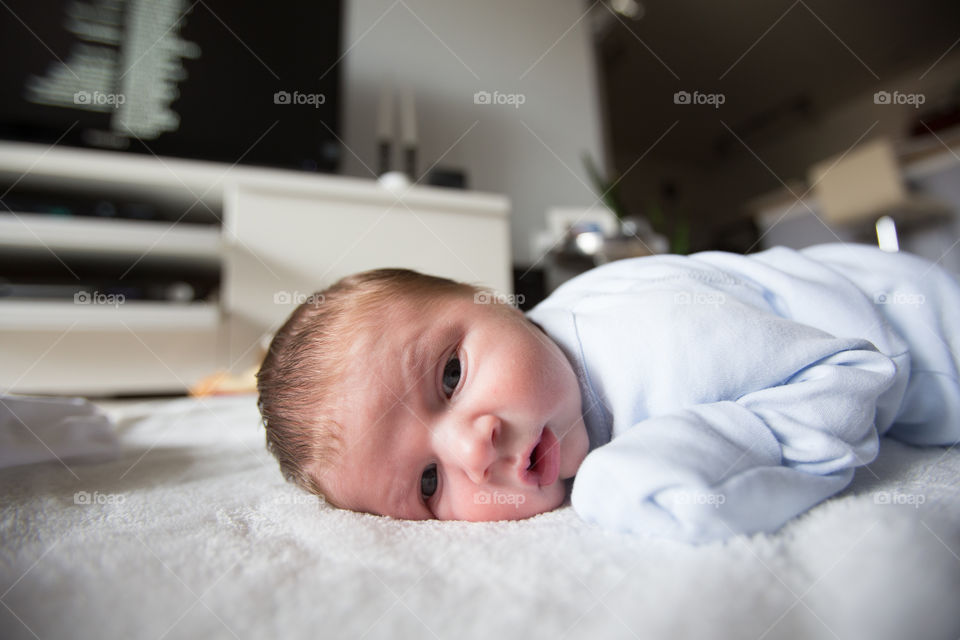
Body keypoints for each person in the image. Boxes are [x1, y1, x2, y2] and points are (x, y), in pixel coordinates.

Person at [256, 243, 960, 543]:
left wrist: (686, 459)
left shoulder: (656, 339)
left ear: (496, 301)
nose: (473, 446)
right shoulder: (553, 374)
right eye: (430, 482)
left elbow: (858, 372)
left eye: (449, 377)